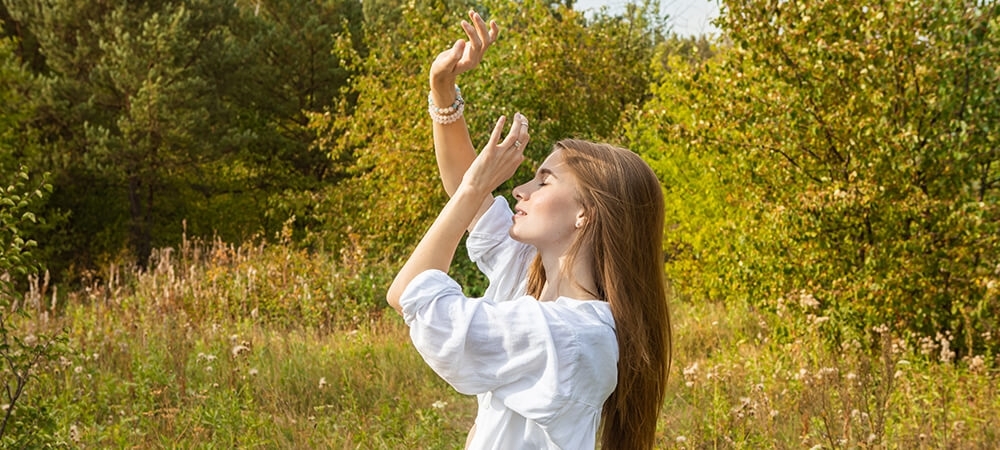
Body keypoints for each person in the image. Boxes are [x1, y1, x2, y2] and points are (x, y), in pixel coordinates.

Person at [386, 10, 672, 449]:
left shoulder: (572, 335)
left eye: (544, 180)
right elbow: (466, 192)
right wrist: (442, 90)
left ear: (585, 214)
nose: (521, 189)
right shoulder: (531, 274)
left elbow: (411, 296)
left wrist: (475, 188)